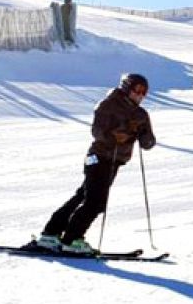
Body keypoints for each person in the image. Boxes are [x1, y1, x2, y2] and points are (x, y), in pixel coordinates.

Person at [38, 72, 157, 254]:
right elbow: (98, 132)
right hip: (98, 158)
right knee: (96, 202)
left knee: (83, 197)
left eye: (144, 92)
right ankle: (71, 239)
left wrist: (143, 133)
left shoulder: (141, 114)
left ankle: (51, 233)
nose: (140, 95)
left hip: (115, 162)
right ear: (126, 88)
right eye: (137, 90)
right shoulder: (109, 105)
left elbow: (148, 144)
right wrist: (119, 133)